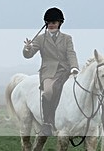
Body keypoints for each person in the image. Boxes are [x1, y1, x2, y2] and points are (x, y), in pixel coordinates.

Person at [22, 7, 79, 136]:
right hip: (49, 72)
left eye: (54, 22)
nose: (52, 25)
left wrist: (74, 67)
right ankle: (47, 122)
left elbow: (71, 53)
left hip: (65, 70)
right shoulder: (40, 39)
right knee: (48, 91)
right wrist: (27, 48)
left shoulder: (67, 38)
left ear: (59, 23)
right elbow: (29, 54)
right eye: (49, 23)